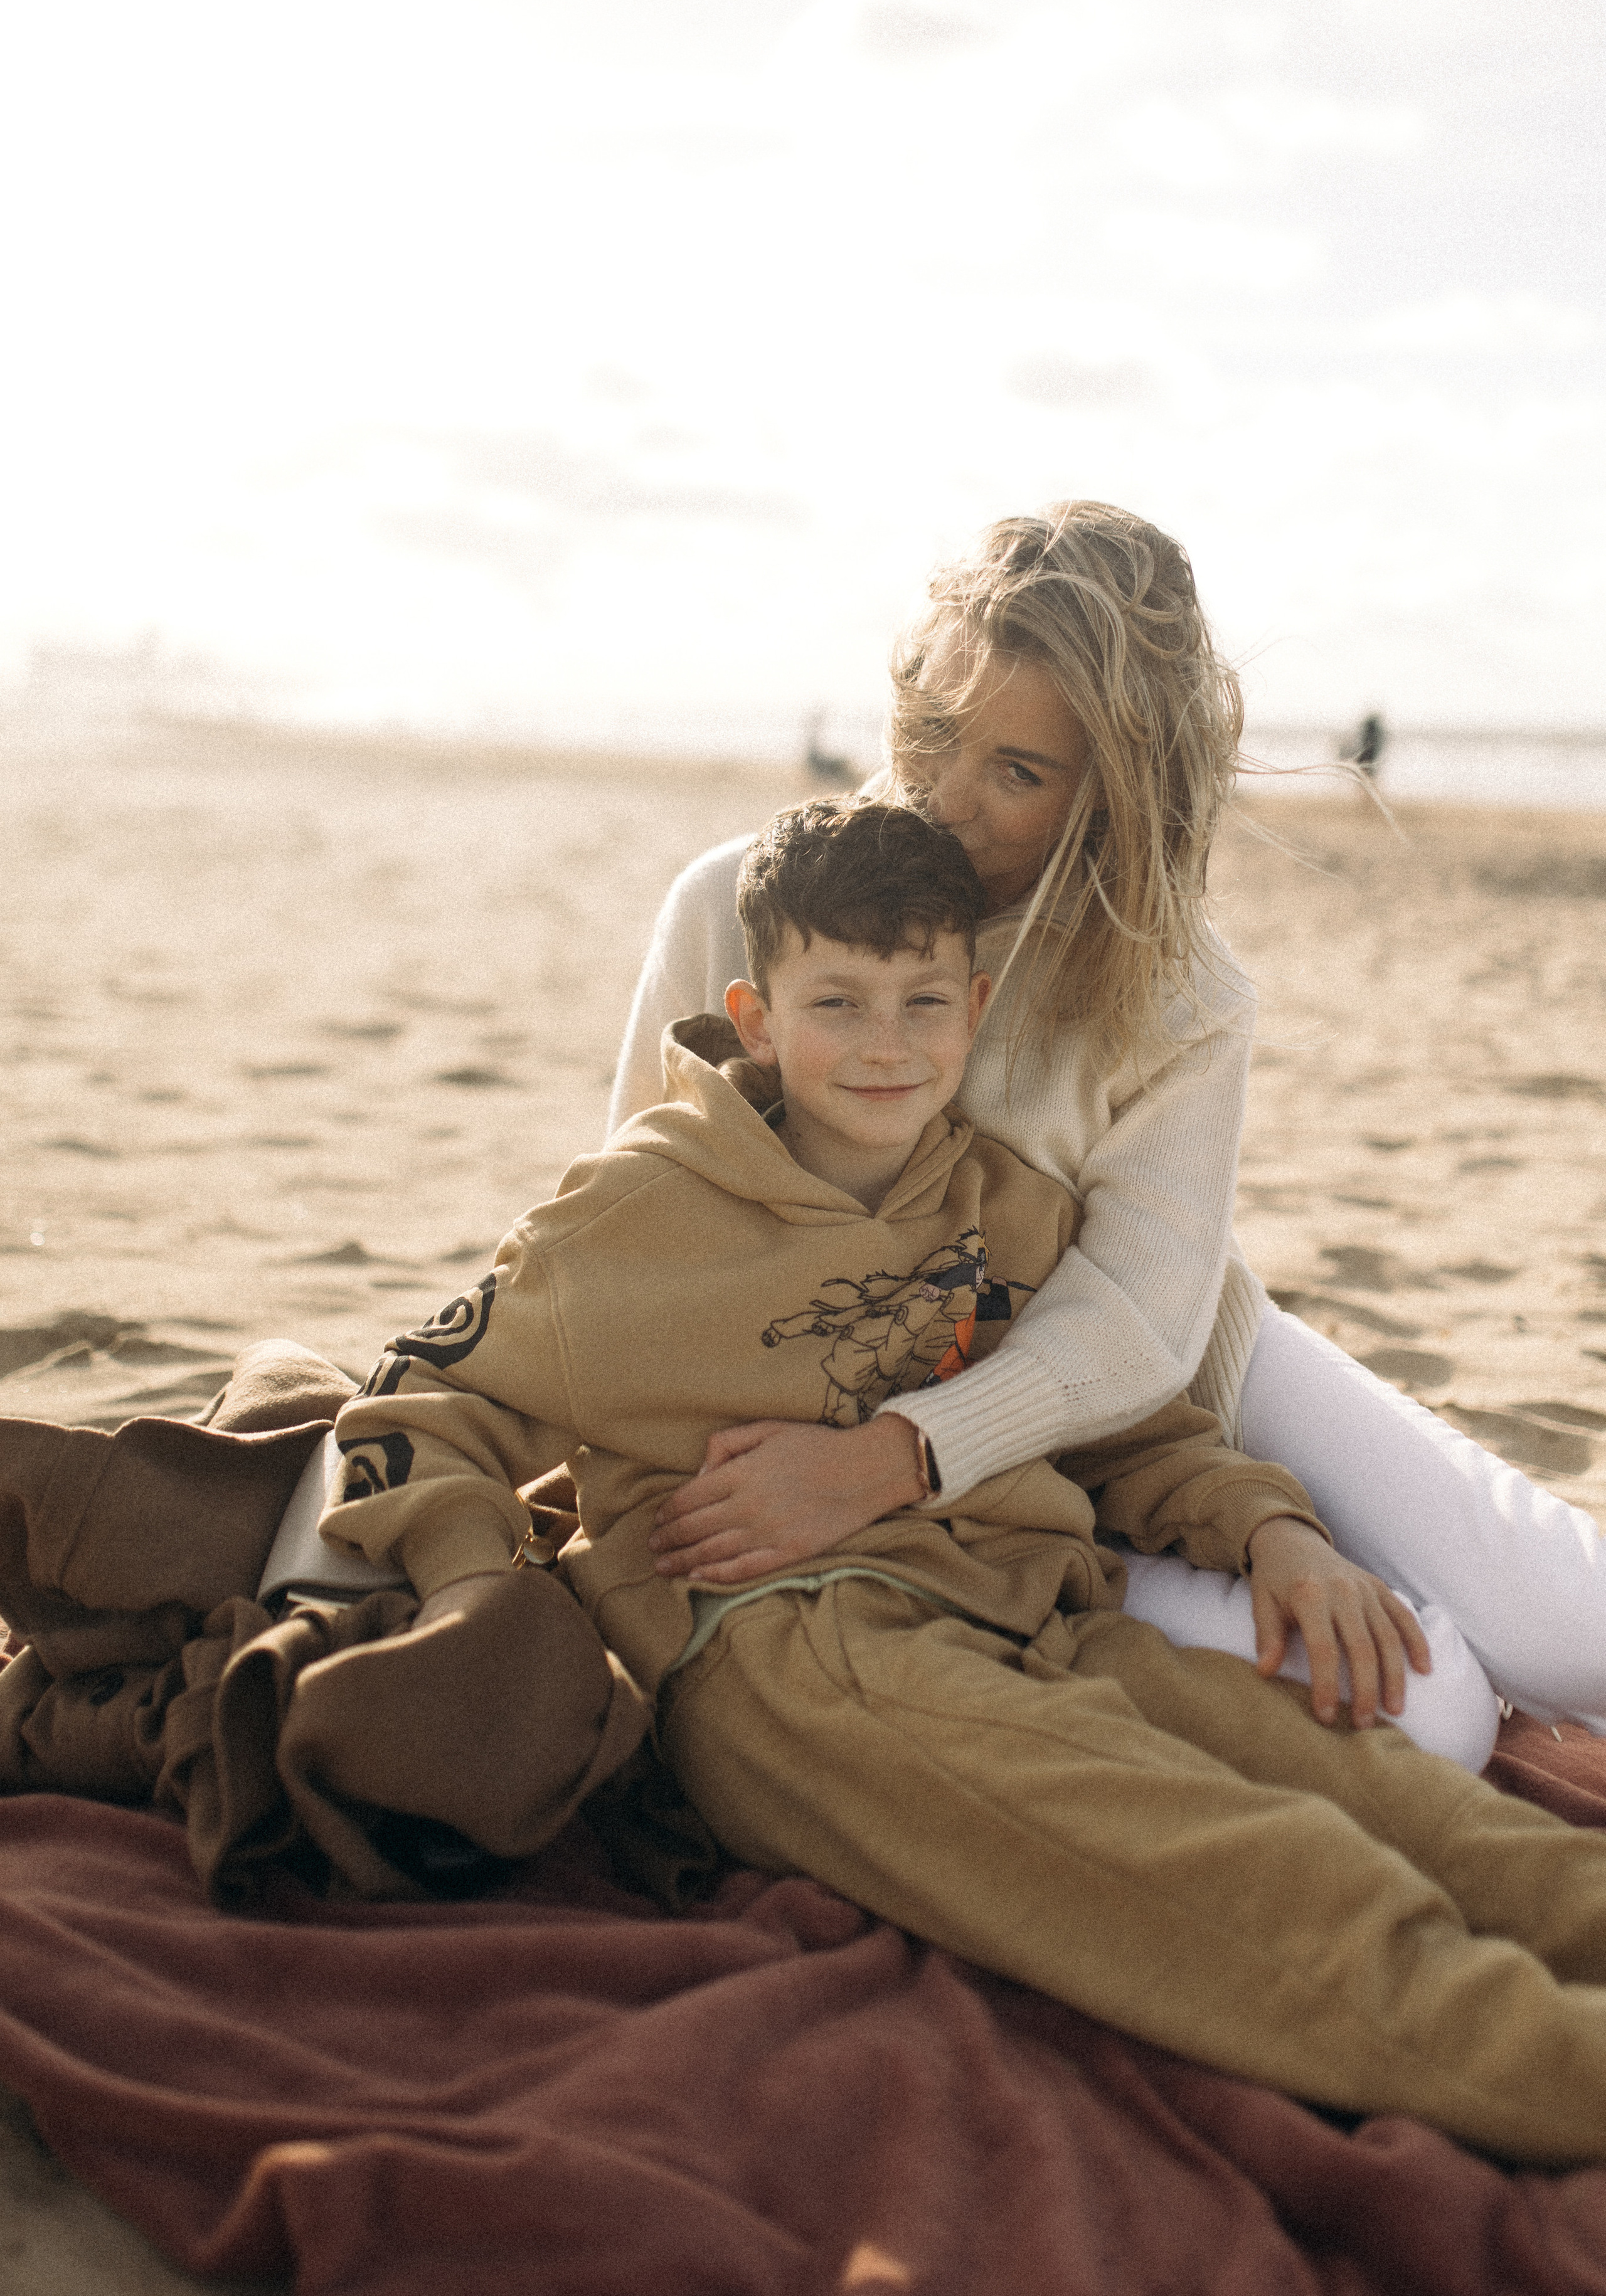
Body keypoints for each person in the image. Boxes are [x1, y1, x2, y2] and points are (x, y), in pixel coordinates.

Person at [327, 801, 1606, 2167]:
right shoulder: (630, 1219)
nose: (885, 1044)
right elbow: (417, 1397)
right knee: (1248, 1876)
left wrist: (1272, 1526)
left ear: (973, 1007)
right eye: (839, 1003)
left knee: (1404, 1808)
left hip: (1038, 1614)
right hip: (798, 1654)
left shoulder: (999, 1204)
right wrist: (472, 1579)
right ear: (755, 1017)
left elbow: (1121, 1422)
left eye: (921, 1001)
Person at [617, 501, 1606, 1740]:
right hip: (914, 1426)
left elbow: (1137, 1318)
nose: (940, 800)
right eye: (931, 735)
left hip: (1145, 1365)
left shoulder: (1179, 990)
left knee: (1579, 1632)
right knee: (1428, 1709)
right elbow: (632, 1218)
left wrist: (1263, 1523)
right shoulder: (732, 906)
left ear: (1117, 793)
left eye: (1016, 774)